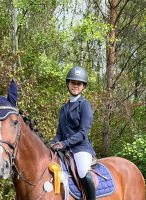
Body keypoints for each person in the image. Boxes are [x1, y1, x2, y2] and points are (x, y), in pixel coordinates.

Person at [51, 66, 96, 200]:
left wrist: (63, 143)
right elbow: (59, 132)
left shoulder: (85, 105)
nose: (75, 86)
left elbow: (83, 133)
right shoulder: (64, 108)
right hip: (65, 151)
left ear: (83, 86)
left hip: (81, 149)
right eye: (73, 83)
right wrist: (54, 142)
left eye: (79, 83)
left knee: (83, 172)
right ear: (68, 84)